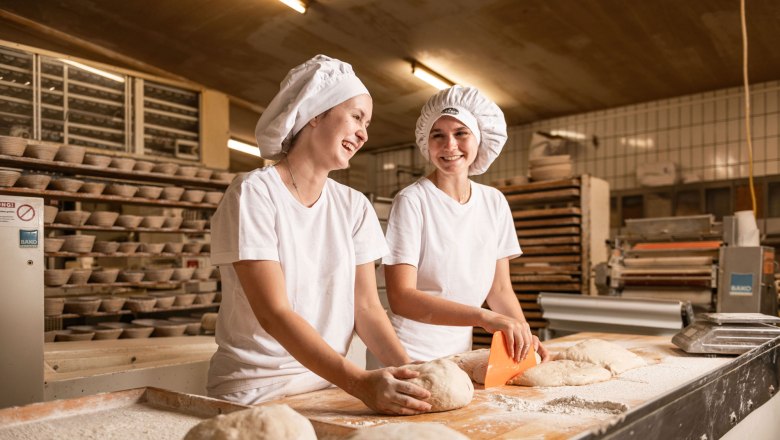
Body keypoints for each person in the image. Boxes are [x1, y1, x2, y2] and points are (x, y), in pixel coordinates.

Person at [207, 55, 432, 415]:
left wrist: (414, 374)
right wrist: (360, 382)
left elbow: (367, 308)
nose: (364, 133)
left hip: (326, 386)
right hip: (255, 391)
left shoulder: (354, 206)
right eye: (356, 116)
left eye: (367, 123)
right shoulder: (254, 193)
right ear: (315, 112)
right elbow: (274, 313)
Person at [381, 85, 550, 365]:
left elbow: (499, 290)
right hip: (406, 352)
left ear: (479, 139)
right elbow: (402, 297)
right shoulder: (412, 201)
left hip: (460, 355)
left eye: (461, 133)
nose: (450, 146)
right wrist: (483, 317)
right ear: (426, 141)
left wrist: (525, 334)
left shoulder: (493, 202)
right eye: (438, 135)